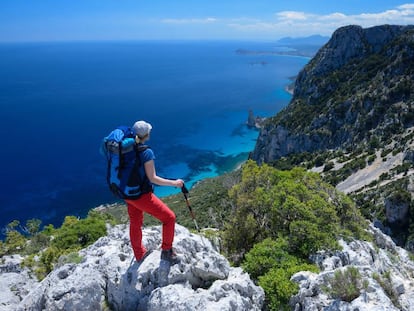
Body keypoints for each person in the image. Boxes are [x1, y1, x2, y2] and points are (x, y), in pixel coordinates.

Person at [126, 120, 184, 263]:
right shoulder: (146, 152)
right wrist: (174, 183)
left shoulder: (125, 149)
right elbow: (153, 178)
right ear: (146, 134)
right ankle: (166, 251)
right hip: (141, 195)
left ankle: (139, 254)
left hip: (127, 193)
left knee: (135, 222)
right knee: (169, 218)